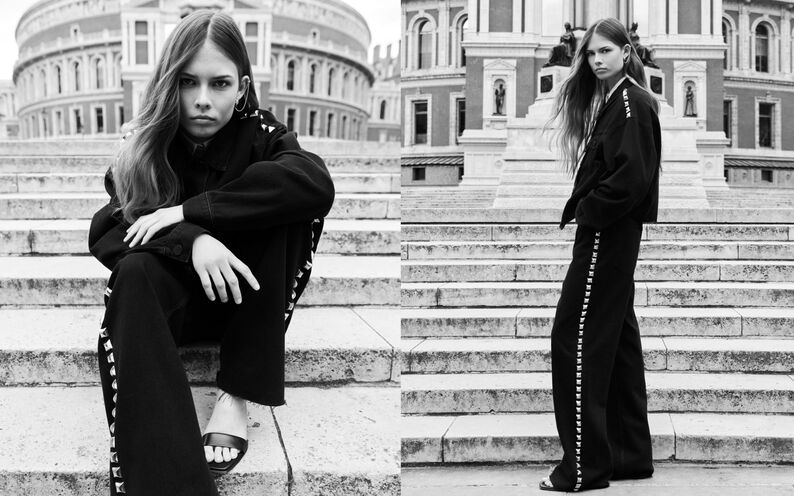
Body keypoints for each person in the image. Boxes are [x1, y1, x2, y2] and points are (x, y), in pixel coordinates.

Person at [88, 10, 335, 496]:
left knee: (289, 209)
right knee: (134, 271)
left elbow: (314, 184)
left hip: (247, 305)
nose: (203, 101)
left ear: (242, 87)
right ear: (168, 83)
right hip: (170, 309)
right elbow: (109, 228)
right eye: (187, 82)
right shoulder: (144, 144)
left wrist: (191, 211)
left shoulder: (264, 136)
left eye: (219, 83)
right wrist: (193, 241)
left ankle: (237, 392)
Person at [540, 17, 661, 492]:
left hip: (607, 233)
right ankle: (628, 455)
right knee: (619, 343)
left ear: (626, 52)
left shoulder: (630, 100)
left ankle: (582, 468)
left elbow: (631, 175)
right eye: (591, 53)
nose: (596, 60)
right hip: (613, 232)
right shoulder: (620, 100)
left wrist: (590, 212)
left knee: (576, 340)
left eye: (606, 51)